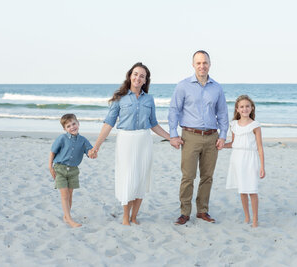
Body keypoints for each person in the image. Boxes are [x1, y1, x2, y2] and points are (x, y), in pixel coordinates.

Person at [89, 62, 170, 226]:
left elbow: (153, 123)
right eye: (135, 74)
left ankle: (134, 216)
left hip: (144, 140)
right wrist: (96, 146)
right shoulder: (120, 98)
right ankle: (126, 216)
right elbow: (108, 124)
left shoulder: (149, 99)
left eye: (142, 76)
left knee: (141, 179)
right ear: (130, 76)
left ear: (146, 80)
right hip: (126, 140)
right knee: (127, 178)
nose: (138, 78)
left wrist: (171, 138)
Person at [168, 50, 228, 225]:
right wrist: (173, 134)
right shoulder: (183, 86)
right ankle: (185, 212)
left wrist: (223, 136)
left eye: (205, 63)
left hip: (211, 137)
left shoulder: (217, 88)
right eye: (199, 63)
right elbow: (174, 111)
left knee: (207, 176)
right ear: (193, 65)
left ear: (210, 64)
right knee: (188, 176)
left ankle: (202, 211)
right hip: (190, 136)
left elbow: (223, 114)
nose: (202, 66)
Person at [224, 95, 265, 228]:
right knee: (242, 190)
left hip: (250, 159)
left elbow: (259, 147)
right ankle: (246, 216)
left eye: (247, 106)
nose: (244, 109)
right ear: (237, 109)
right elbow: (233, 143)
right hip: (237, 158)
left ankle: (255, 219)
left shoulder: (255, 125)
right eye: (241, 106)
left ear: (252, 108)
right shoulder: (234, 125)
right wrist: (221, 145)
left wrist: (262, 166)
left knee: (251, 189)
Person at [49, 113, 94, 228]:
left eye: (73, 124)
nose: (72, 127)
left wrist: (93, 153)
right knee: (64, 195)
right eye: (68, 126)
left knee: (69, 194)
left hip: (73, 171)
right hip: (60, 168)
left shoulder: (83, 140)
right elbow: (53, 151)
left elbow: (90, 152)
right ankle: (69, 219)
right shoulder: (62, 138)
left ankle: (66, 216)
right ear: (65, 129)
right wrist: (50, 166)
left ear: (78, 123)